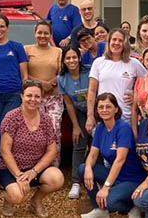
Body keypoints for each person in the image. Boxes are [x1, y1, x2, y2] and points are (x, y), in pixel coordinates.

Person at [0, 82, 64, 217]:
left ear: (41, 99)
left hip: (36, 167)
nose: (33, 99)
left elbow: (52, 151)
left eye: (37, 96)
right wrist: (18, 175)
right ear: (22, 96)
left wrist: (34, 171)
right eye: (29, 95)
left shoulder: (45, 119)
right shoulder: (12, 117)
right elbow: (5, 150)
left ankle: (36, 201)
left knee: (57, 179)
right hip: (11, 168)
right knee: (17, 196)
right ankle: (9, 201)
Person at [78, 93, 146, 217]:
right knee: (83, 169)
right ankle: (100, 210)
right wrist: (88, 167)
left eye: (108, 106)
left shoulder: (123, 128)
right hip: (114, 176)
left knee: (109, 201)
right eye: (101, 107)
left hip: (132, 179)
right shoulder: (100, 128)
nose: (104, 110)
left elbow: (120, 159)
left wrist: (106, 187)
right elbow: (93, 154)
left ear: (116, 109)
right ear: (97, 111)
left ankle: (132, 206)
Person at [86, 29, 146, 134]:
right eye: (114, 39)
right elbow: (91, 91)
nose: (116, 43)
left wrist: (137, 96)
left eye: (120, 40)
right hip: (102, 117)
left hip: (126, 118)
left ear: (125, 44)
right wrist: (90, 116)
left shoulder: (134, 63)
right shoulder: (98, 63)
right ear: (108, 42)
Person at [0, 15, 28, 139]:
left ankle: (9, 155)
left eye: (2, 26)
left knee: (7, 125)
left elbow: (24, 73)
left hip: (14, 94)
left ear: (7, 28)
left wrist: (24, 92)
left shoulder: (17, 47)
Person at [24, 21, 64, 150]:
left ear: (50, 35)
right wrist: (41, 84)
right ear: (34, 34)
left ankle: (53, 165)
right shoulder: (26, 49)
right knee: (35, 132)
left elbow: (62, 73)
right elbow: (24, 73)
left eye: (46, 33)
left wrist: (51, 83)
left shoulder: (58, 51)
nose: (42, 36)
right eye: (39, 32)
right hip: (33, 99)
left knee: (54, 130)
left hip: (53, 97)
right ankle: (37, 165)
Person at [58, 47, 89, 200]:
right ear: (63, 60)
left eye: (74, 57)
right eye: (68, 58)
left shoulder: (89, 72)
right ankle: (76, 182)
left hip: (97, 111)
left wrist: (93, 117)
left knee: (98, 144)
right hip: (79, 113)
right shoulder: (61, 79)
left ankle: (96, 179)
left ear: (79, 58)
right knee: (79, 144)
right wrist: (76, 126)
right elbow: (69, 104)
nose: (71, 61)